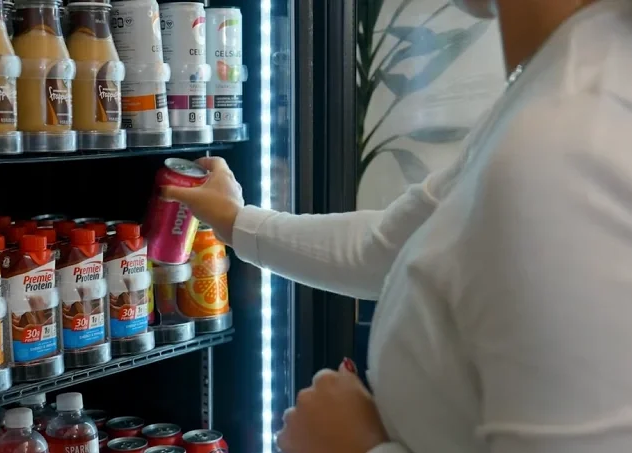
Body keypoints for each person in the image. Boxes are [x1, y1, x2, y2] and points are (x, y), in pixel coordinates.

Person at [162, 0, 632, 452]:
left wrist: (356, 447)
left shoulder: (561, 147)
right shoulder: (551, 88)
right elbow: (385, 249)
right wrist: (235, 220)